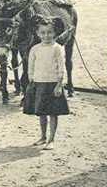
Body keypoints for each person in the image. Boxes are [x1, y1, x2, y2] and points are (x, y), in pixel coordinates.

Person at [23, 15, 69, 151]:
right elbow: (30, 66)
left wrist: (59, 84)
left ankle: (51, 139)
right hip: (39, 83)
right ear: (38, 34)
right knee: (41, 112)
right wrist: (31, 80)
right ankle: (42, 137)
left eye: (49, 32)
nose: (46, 35)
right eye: (43, 33)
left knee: (53, 113)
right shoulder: (35, 49)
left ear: (55, 33)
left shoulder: (57, 48)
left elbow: (62, 67)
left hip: (53, 84)